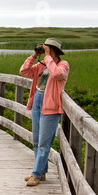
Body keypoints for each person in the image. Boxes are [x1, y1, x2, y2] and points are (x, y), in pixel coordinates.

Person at [19, 38, 69, 186]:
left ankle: (36, 174)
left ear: (55, 51)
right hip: (37, 104)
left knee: (43, 143)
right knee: (36, 141)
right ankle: (42, 172)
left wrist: (47, 57)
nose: (45, 51)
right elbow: (24, 71)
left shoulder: (63, 65)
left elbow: (56, 74)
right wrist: (34, 55)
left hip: (51, 107)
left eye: (48, 49)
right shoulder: (41, 66)